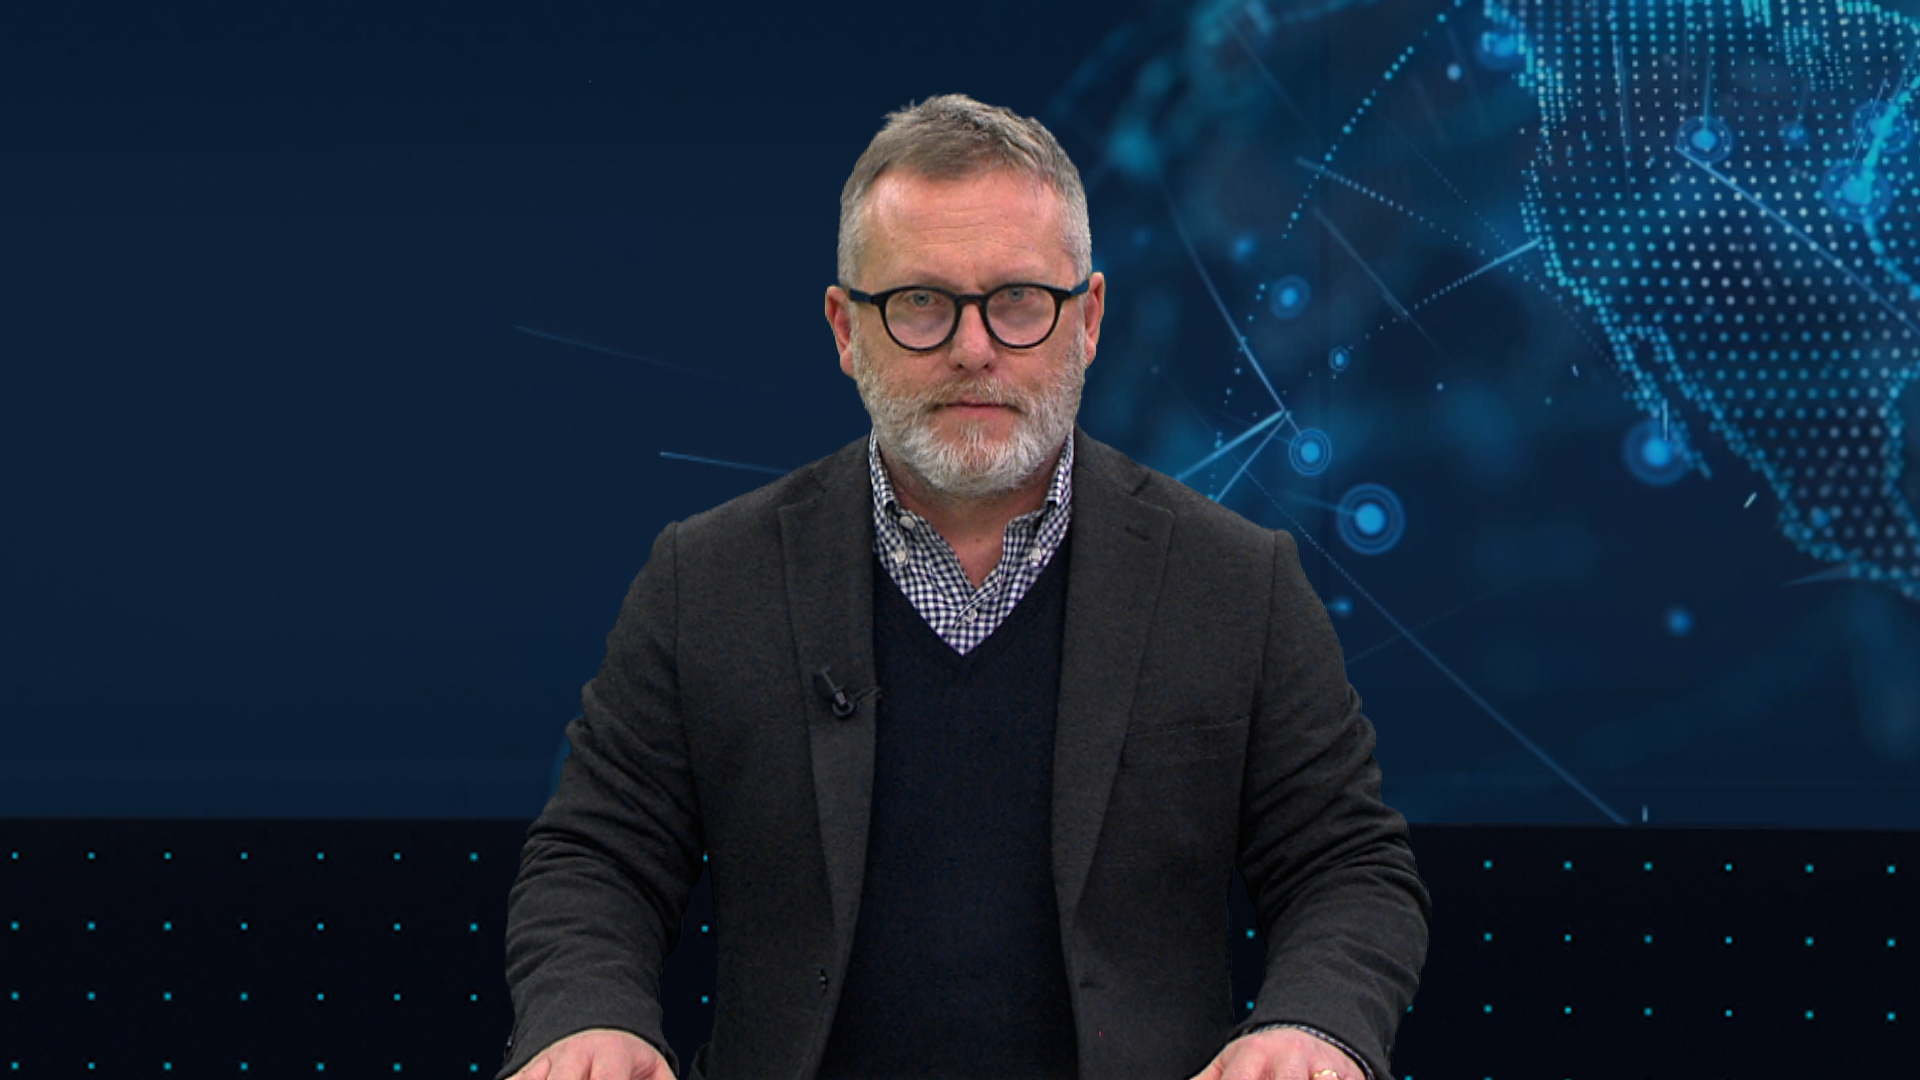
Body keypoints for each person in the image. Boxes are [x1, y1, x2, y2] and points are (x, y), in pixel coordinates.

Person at [498, 94, 1429, 1080]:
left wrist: (1312, 1027)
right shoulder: (705, 580)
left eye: (1019, 299)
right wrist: (587, 1018)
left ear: (1089, 320)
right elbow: (594, 859)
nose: (974, 347)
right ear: (845, 329)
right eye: (920, 302)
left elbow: (1348, 868)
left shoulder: (1241, 583)